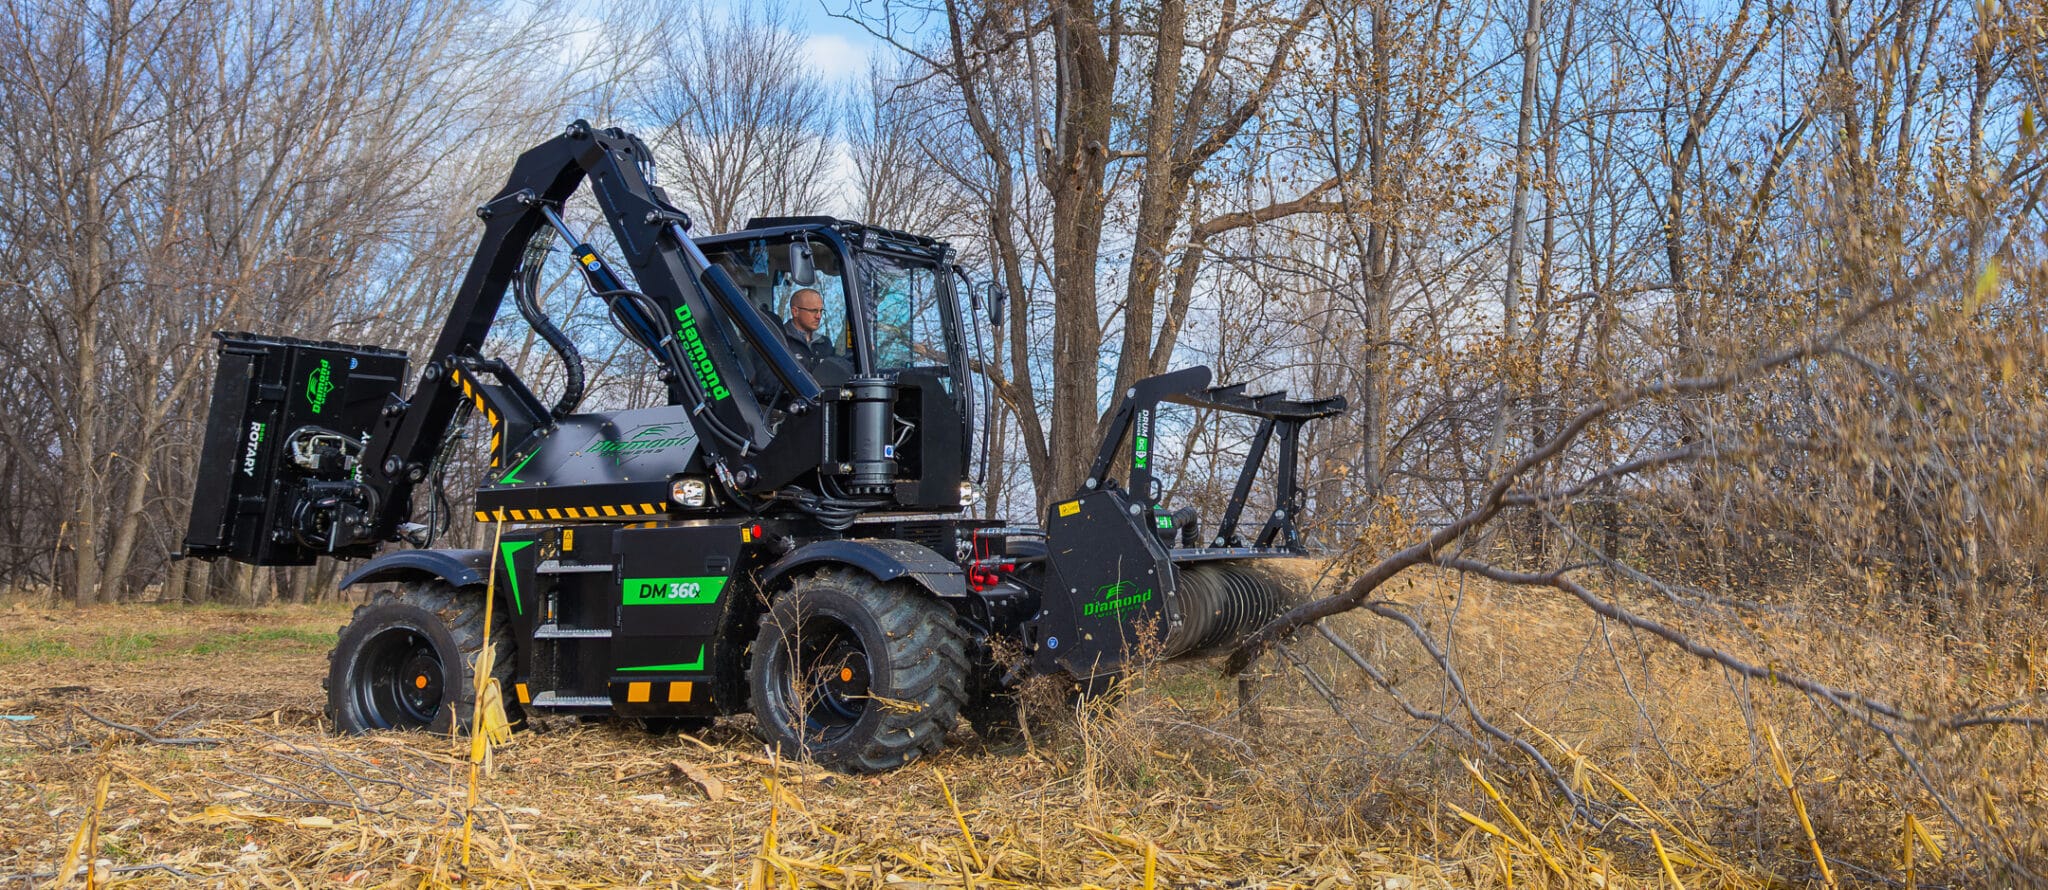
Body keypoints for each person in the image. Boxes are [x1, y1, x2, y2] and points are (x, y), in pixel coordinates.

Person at [780, 287, 835, 367]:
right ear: (795, 312)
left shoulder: (825, 344)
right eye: (813, 311)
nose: (818, 316)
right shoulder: (780, 340)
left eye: (821, 311)